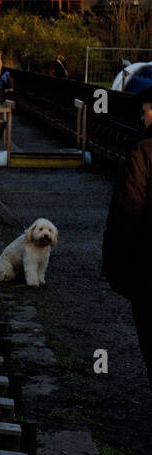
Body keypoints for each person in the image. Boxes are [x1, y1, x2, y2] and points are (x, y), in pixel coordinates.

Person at [101, 99, 152, 389]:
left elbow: (126, 216)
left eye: (144, 111)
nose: (142, 118)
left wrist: (117, 271)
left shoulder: (143, 152)